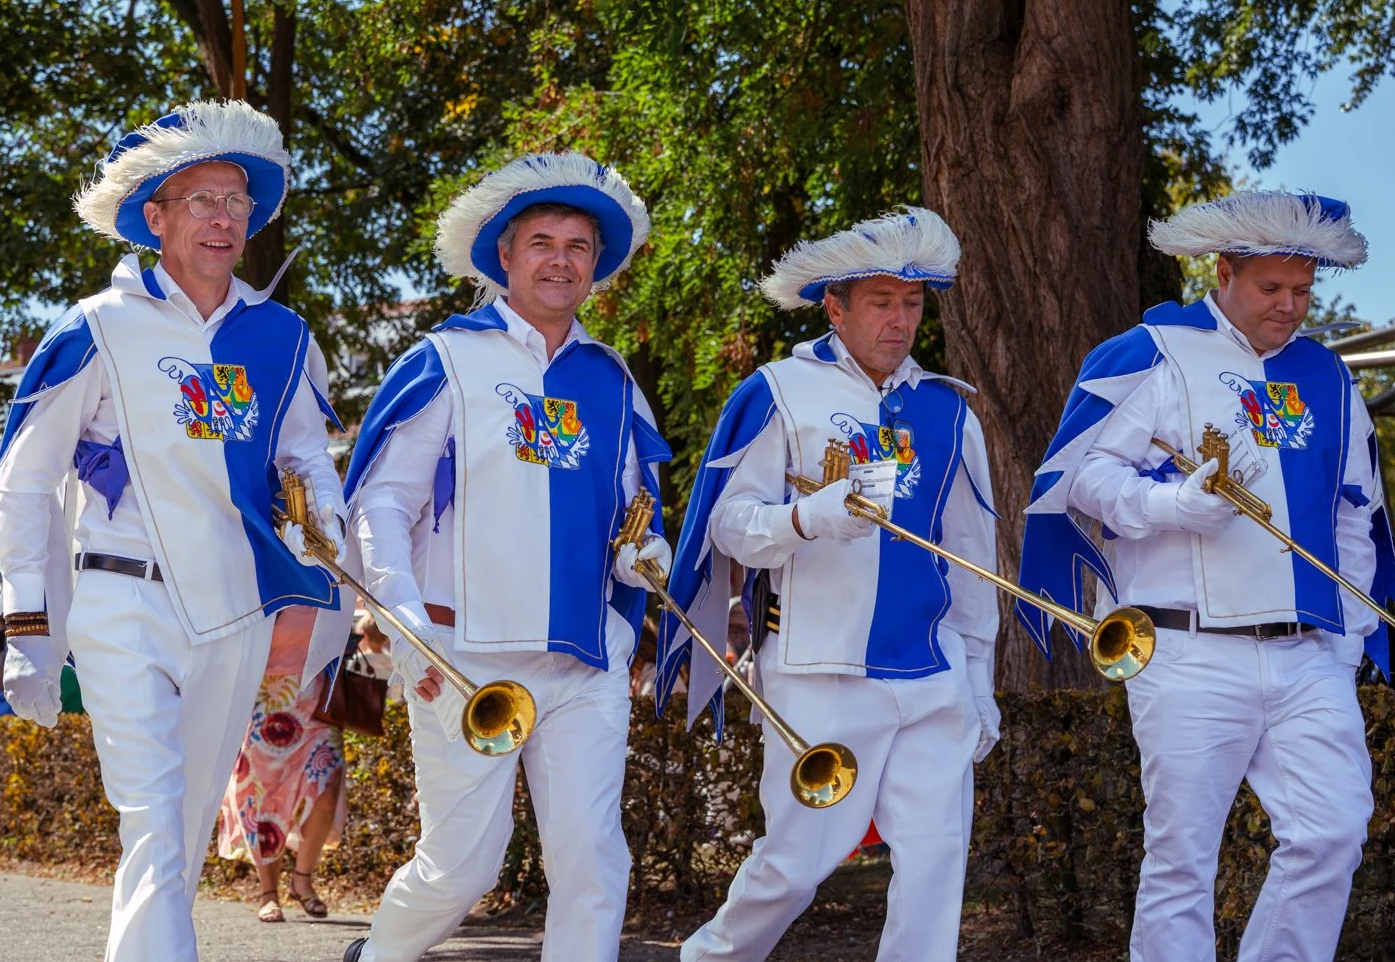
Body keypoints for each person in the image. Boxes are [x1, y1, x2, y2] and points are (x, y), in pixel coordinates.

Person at [1019, 191, 1395, 962]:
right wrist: (1171, 502)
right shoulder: (1154, 349)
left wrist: (1346, 640)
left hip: (1309, 654)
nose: (1289, 306)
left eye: (1303, 291)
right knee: (1181, 861)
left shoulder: (1328, 376)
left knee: (1334, 827)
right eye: (1271, 289)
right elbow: (1084, 476)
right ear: (1224, 269)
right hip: (1187, 648)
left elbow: (1353, 513)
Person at [0, 100, 349, 962]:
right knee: (153, 815)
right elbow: (22, 481)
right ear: (154, 218)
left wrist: (323, 519)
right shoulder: (96, 326)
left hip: (232, 608)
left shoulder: (282, 335)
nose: (224, 219)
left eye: (236, 202)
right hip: (121, 602)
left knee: (176, 837)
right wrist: (29, 624)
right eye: (201, 200)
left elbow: (309, 456)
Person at [339, 153, 671, 962]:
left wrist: (641, 558)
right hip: (463, 653)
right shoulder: (447, 358)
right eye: (542, 242)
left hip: (584, 658)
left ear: (597, 264)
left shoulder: (614, 378)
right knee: (463, 867)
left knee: (594, 856)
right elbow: (384, 500)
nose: (561, 260)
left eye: (579, 246)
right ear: (506, 256)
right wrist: (402, 612)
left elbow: (632, 513)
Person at [658, 207, 999, 962]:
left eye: (912, 304)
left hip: (933, 673)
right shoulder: (778, 390)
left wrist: (981, 679)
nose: (901, 320)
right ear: (834, 307)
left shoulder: (951, 407)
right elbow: (727, 525)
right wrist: (807, 518)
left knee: (938, 864)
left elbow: (975, 556)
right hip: (819, 670)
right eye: (881, 302)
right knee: (794, 866)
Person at [216, 605, 346, 923]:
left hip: (319, 695)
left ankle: (301, 879)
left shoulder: (331, 564)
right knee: (262, 797)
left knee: (327, 791)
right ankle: (268, 893)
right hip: (265, 695)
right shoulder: (264, 567)